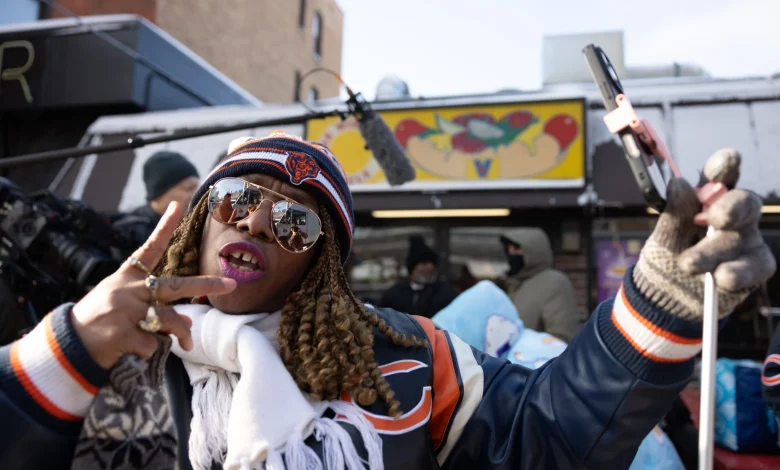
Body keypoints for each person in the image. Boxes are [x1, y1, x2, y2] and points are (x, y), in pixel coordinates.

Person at [0, 140, 774, 470]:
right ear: (201, 220)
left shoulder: (405, 357)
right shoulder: (106, 347)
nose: (259, 222)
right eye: (238, 199)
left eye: (296, 223)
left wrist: (659, 305)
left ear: (319, 267)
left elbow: (546, 435)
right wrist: (68, 348)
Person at [499, 228, 581, 342]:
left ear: (533, 251)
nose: (511, 253)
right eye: (509, 249)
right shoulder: (512, 284)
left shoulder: (554, 282)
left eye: (517, 248)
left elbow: (561, 336)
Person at [113, 150, 200, 251]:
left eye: (197, 188)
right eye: (188, 188)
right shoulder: (130, 234)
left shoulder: (194, 225)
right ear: (159, 194)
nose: (196, 194)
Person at [380, 235, 458, 318]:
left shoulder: (445, 293)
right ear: (412, 268)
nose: (430, 267)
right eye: (424, 263)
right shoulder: (394, 294)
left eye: (433, 264)